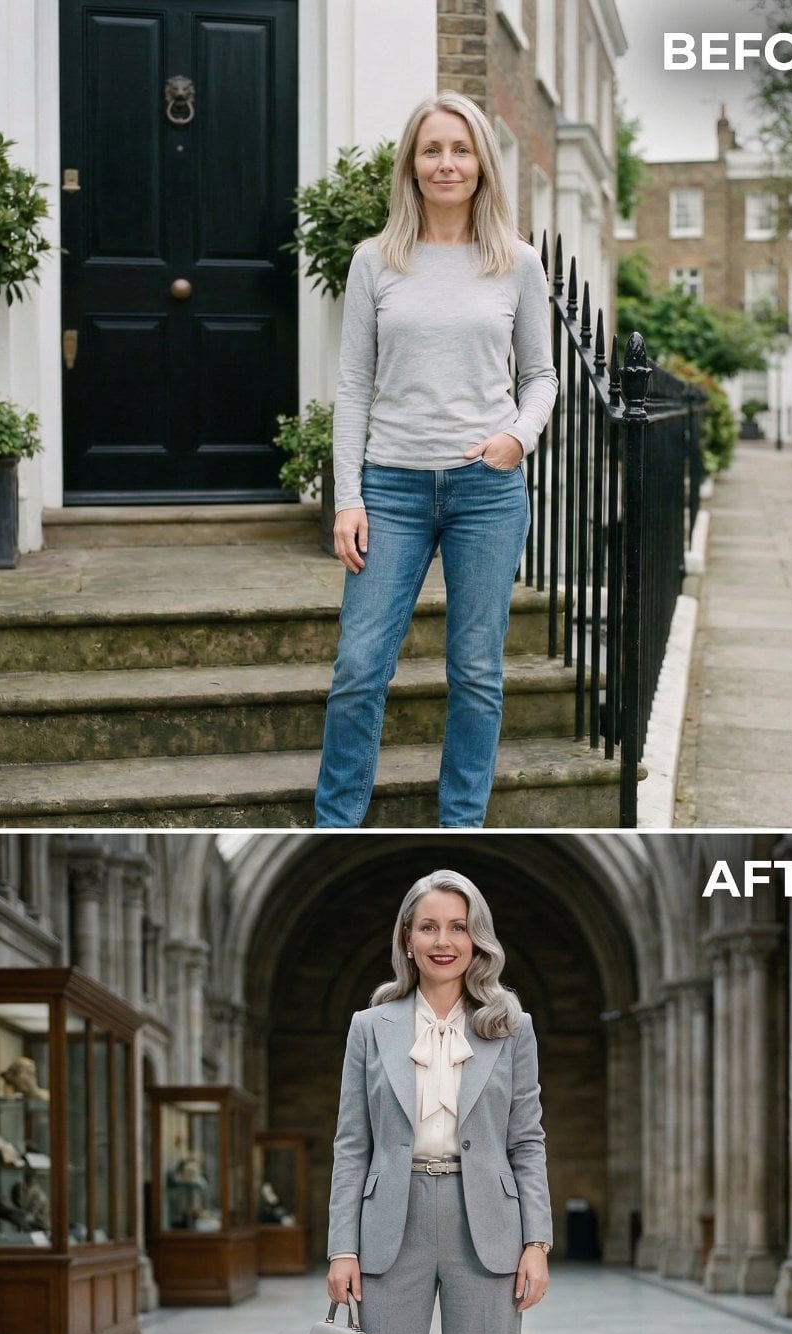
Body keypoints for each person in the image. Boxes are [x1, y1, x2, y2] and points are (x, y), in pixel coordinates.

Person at [280, 869, 552, 1334]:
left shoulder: (510, 1025)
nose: (443, 941)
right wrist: (341, 1244)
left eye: (457, 927)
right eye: (428, 926)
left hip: (486, 1230)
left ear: (478, 939)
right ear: (406, 937)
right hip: (390, 1229)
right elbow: (351, 1143)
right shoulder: (373, 1027)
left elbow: (526, 1139)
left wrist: (536, 1240)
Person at [314, 92, 558, 829]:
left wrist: (519, 437)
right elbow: (354, 385)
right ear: (411, 165)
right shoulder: (374, 261)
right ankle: (336, 824)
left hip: (487, 490)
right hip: (391, 488)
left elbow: (541, 376)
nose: (446, 163)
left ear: (482, 162)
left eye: (460, 148)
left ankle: (461, 824)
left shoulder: (516, 263)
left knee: (477, 674)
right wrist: (348, 498)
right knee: (359, 668)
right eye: (432, 150)